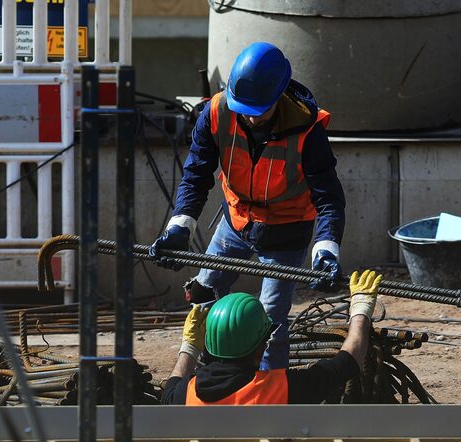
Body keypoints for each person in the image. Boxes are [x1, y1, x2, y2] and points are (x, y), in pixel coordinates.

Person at [149, 41, 346, 371]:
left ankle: (269, 401)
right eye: (244, 110)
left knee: (270, 322)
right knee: (203, 297)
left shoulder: (307, 132)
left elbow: (328, 199)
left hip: (287, 230)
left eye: (260, 112)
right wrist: (180, 225)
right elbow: (197, 173)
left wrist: (326, 250)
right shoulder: (216, 113)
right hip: (236, 222)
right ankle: (207, 381)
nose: (251, 120)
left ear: (279, 96)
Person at [161, 270, 381, 405]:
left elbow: (170, 389)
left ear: (209, 344)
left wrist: (190, 345)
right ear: (260, 349)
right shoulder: (281, 388)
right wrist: (361, 308)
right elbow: (348, 362)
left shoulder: (185, 395)